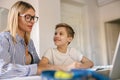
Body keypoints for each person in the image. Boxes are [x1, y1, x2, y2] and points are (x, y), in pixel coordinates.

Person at [0, 1, 41, 78]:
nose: (32, 21)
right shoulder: (3, 38)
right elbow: (2, 70)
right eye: (28, 17)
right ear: (16, 17)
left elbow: (38, 64)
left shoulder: (30, 42)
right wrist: (34, 69)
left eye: (33, 18)